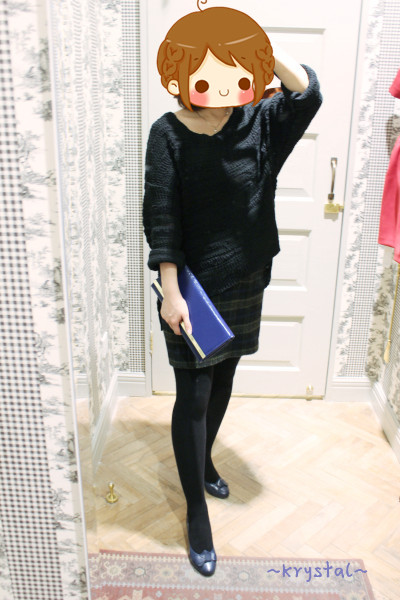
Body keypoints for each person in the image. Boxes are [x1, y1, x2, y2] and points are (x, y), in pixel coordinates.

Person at [143, 4, 322, 577]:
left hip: (246, 275)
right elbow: (162, 215)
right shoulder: (167, 133)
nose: (221, 84)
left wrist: (252, 38)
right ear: (183, 73)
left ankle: (203, 465)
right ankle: (197, 511)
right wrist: (172, 291)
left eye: (234, 69)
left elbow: (307, 92)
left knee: (223, 379)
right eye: (208, 70)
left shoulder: (260, 122)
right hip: (192, 287)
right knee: (193, 393)